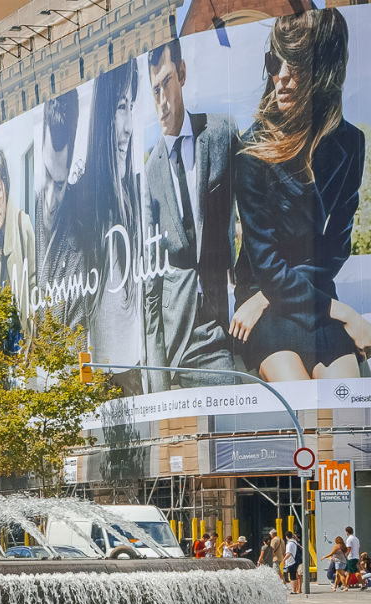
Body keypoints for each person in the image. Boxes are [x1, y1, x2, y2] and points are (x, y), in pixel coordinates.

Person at [231, 8, 371, 381]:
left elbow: (336, 248)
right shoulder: (253, 149)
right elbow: (265, 265)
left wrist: (270, 294)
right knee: (299, 394)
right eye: (273, 62)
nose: (280, 76)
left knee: (344, 397)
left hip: (306, 296)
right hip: (268, 303)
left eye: (294, 64)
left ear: (323, 72)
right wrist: (345, 313)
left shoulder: (350, 144)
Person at [141, 38, 238, 391]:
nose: (161, 100)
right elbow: (149, 284)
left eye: (166, 82)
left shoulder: (221, 134)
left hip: (213, 328)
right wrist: (156, 378)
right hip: (172, 340)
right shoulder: (151, 173)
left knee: (230, 418)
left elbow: (251, 216)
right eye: (154, 90)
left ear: (181, 73)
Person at [81, 59, 145, 396]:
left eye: (131, 107)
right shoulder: (82, 201)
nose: (128, 126)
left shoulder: (141, 195)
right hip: (95, 382)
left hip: (137, 373)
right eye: (121, 107)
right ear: (105, 113)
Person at [35, 89, 88, 328]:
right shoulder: (31, 215)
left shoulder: (78, 250)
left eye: (59, 185)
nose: (50, 198)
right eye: (47, 175)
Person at [0, 148, 38, 350]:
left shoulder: (23, 224)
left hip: (26, 349)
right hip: (2, 358)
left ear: (6, 188)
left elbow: (35, 285)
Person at [283, 530, 302, 595]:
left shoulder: (289, 544)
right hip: (296, 561)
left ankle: (293, 590)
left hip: (291, 562)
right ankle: (296, 589)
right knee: (295, 576)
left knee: (292, 577)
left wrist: (284, 560)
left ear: (286, 537)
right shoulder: (295, 542)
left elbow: (288, 554)